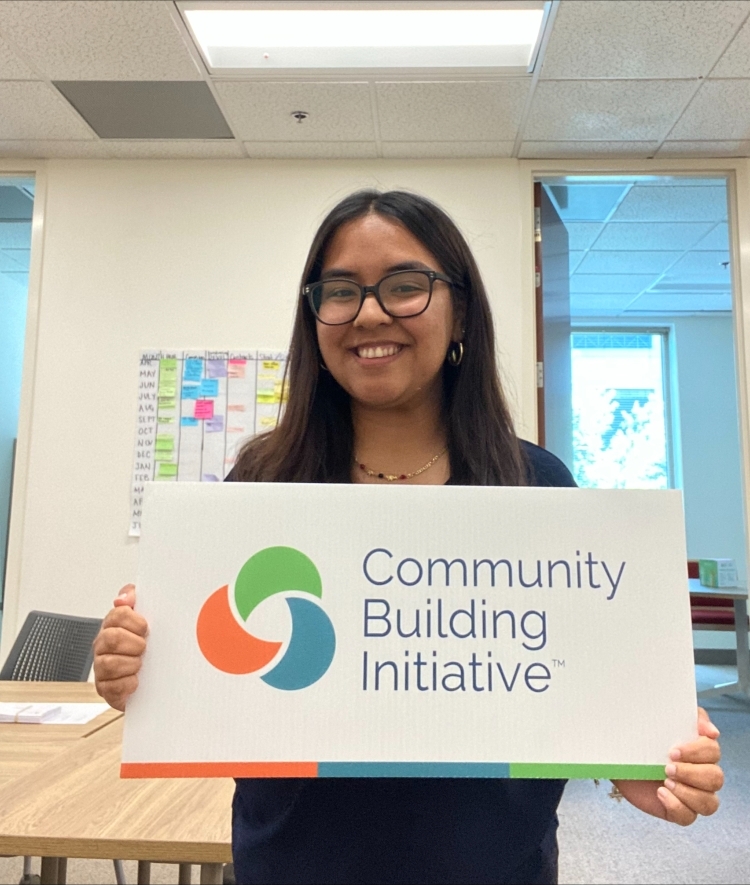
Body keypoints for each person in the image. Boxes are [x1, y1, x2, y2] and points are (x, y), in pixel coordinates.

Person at [94, 190, 723, 885]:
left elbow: (566, 677)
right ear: (316, 318)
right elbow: (209, 671)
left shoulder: (535, 486)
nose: (369, 312)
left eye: (404, 286)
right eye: (341, 291)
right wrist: (139, 667)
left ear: (460, 310)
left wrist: (630, 760)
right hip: (293, 866)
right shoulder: (262, 482)